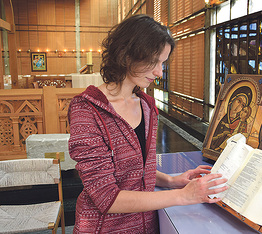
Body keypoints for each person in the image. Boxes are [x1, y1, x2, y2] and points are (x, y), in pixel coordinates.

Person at [68, 14, 227, 234]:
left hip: (148, 225)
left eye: (162, 63)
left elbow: (136, 171)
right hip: (104, 228)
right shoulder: (87, 110)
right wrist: (183, 195)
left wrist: (171, 180)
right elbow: (106, 198)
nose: (159, 72)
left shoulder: (146, 105)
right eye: (154, 62)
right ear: (127, 54)